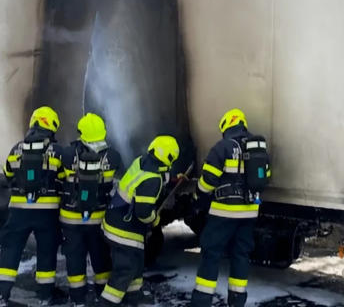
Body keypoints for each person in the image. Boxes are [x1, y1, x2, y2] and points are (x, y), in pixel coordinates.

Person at [0, 106, 66, 307]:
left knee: (10, 250)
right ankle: (45, 296)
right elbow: (65, 179)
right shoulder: (57, 151)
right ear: (52, 125)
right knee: (46, 252)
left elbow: (7, 174)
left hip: (19, 211)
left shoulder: (16, 149)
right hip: (47, 212)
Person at [190, 109, 270, 307]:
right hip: (249, 212)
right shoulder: (257, 149)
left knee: (211, 253)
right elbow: (266, 177)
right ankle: (237, 300)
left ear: (226, 126)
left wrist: (198, 194)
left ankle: (201, 301)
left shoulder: (223, 147)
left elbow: (208, 180)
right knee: (241, 255)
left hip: (224, 212)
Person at [100, 135, 179, 306]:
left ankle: (134, 296)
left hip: (117, 220)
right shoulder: (152, 179)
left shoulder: (141, 162)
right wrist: (155, 220)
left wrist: (171, 179)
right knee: (125, 269)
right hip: (123, 229)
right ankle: (107, 302)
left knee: (136, 263)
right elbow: (143, 213)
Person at [60, 113, 123, 306]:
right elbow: (117, 185)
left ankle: (77, 297)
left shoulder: (67, 154)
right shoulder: (113, 156)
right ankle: (102, 292)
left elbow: (60, 180)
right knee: (100, 256)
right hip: (98, 218)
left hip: (70, 218)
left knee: (75, 257)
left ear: (81, 132)